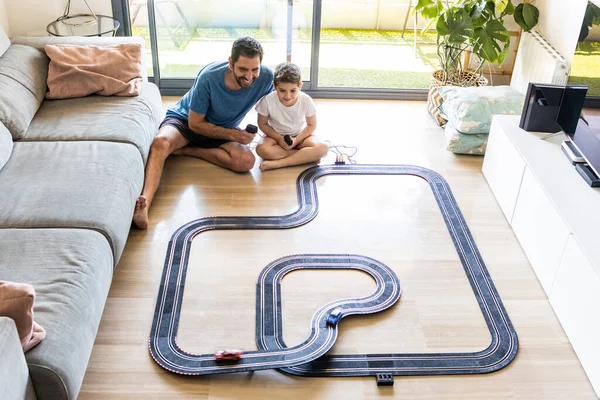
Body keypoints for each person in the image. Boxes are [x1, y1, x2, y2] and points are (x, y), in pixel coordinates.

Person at [133, 37, 274, 229]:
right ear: (231, 63)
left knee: (246, 162)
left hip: (222, 128)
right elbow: (195, 124)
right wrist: (234, 135)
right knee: (160, 142)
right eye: (243, 70)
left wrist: (291, 135)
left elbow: (282, 102)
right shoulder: (209, 77)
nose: (249, 77)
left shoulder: (265, 77)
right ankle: (145, 203)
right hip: (187, 121)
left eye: (254, 69)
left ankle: (184, 151)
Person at [255, 62, 328, 171]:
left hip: (300, 136)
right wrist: (279, 139)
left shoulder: (306, 100)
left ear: (300, 86)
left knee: (323, 147)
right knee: (261, 149)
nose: (288, 96)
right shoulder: (267, 101)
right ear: (275, 86)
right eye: (282, 90)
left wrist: (296, 140)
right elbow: (262, 124)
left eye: (293, 90)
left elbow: (311, 125)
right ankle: (305, 157)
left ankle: (281, 163)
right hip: (276, 137)